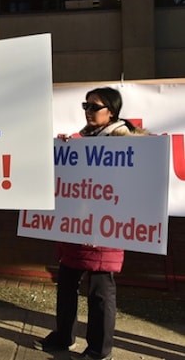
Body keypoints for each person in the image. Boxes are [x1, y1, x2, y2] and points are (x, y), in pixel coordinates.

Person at [34, 87, 145, 360]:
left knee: (100, 292)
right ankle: (64, 336)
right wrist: (64, 149)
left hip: (104, 228)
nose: (88, 111)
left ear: (112, 112)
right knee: (67, 284)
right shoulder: (83, 139)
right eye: (86, 105)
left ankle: (99, 351)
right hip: (76, 226)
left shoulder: (125, 141)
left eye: (94, 107)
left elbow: (137, 174)